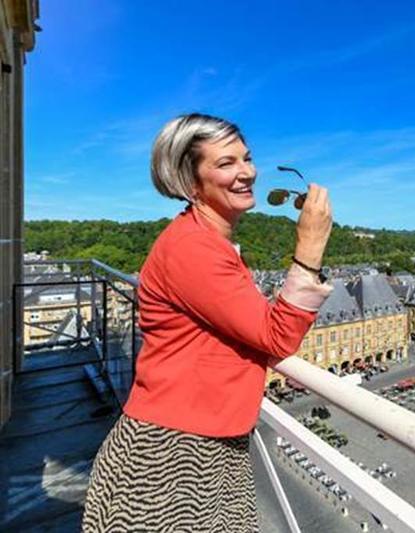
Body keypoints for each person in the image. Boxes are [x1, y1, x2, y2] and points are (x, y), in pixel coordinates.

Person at [81, 114, 333, 532]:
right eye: (226, 163)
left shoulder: (201, 240)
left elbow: (247, 326)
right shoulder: (192, 248)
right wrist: (310, 247)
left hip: (203, 442)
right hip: (174, 456)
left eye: (247, 159)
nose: (247, 172)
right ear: (190, 182)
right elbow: (276, 336)